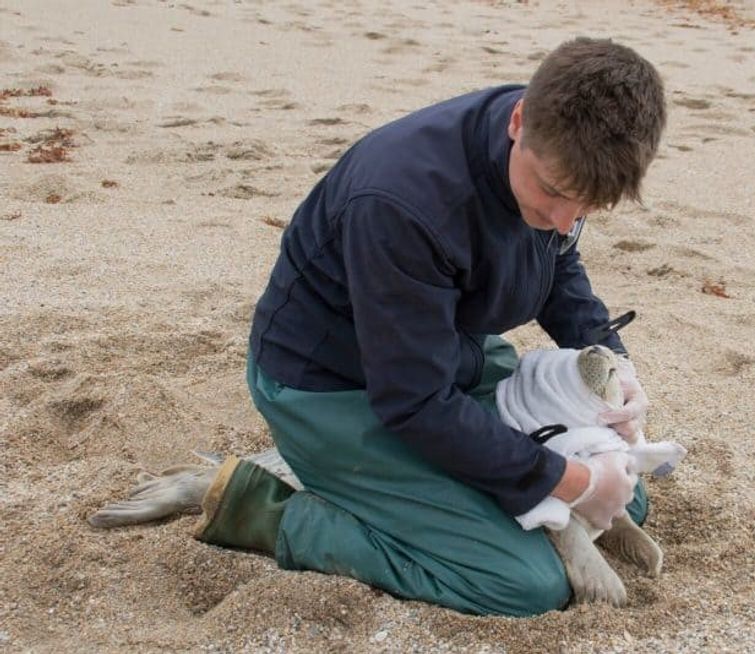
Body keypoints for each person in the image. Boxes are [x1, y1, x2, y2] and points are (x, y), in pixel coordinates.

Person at [194, 37, 667, 617]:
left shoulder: (557, 157)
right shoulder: (402, 202)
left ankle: (401, 490)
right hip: (332, 386)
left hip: (444, 351)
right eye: (553, 193)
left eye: (587, 208)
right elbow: (414, 401)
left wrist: (612, 364)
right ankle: (269, 503)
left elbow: (559, 264)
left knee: (626, 494)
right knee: (522, 582)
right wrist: (566, 481)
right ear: (519, 121)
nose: (563, 220)